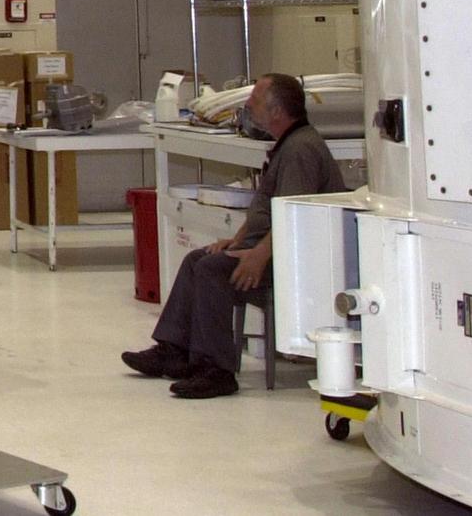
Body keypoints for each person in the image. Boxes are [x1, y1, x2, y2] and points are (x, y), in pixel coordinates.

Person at [121, 73, 346, 398]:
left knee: (212, 271)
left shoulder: (300, 151)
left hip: (294, 259)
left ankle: (215, 370)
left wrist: (257, 256)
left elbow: (294, 218)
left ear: (277, 111)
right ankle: (174, 349)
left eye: (255, 101)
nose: (248, 106)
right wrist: (239, 241)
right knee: (196, 259)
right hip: (272, 247)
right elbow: (266, 208)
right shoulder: (287, 145)